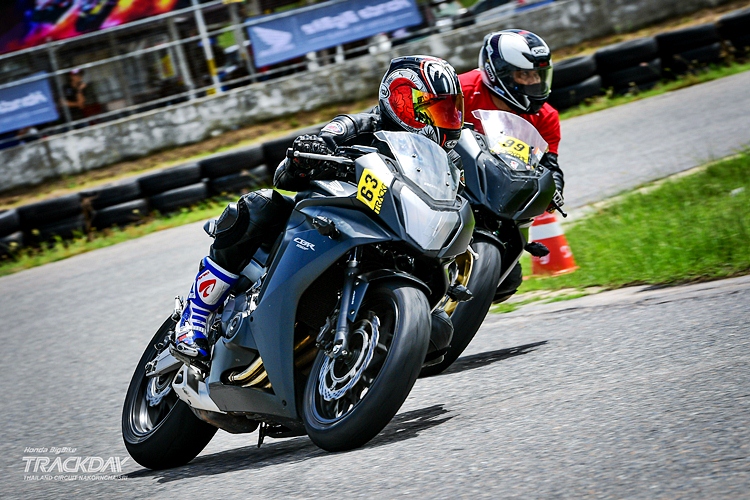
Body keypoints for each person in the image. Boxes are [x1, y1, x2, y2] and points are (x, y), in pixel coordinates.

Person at [174, 55, 465, 361]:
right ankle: (196, 314)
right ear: (402, 101)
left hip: (391, 237)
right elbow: (288, 172)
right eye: (437, 109)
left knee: (437, 332)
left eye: (451, 109)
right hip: (331, 220)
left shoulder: (448, 165)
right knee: (258, 206)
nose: (446, 119)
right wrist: (309, 155)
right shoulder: (358, 126)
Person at [458, 29, 565, 302]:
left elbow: (549, 163)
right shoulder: (460, 92)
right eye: (524, 75)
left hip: (493, 196)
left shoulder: (546, 117)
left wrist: (554, 188)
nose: (533, 82)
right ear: (500, 73)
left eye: (538, 75)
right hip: (446, 180)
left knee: (506, 280)